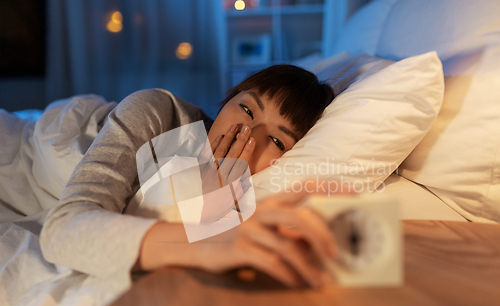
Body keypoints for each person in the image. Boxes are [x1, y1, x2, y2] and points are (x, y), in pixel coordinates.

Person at [40, 64, 337, 289]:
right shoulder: (156, 112)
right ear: (227, 100)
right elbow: (63, 228)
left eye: (276, 142)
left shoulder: (254, 193)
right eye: (246, 109)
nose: (248, 135)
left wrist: (208, 208)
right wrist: (202, 243)